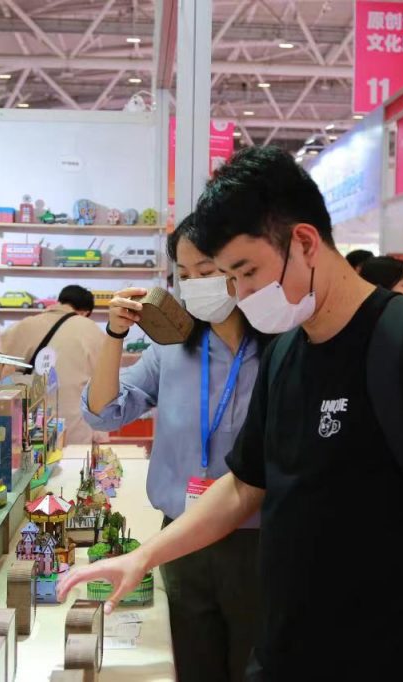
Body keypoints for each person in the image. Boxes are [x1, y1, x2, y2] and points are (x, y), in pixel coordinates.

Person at [61, 146, 403, 681]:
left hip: (384, 656)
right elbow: (243, 485)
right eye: (229, 278)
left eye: (248, 272)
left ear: (304, 242)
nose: (243, 294)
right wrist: (146, 555)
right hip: (282, 649)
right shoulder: (285, 354)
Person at [80, 216, 266, 682]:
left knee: (256, 665)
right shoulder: (172, 347)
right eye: (183, 274)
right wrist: (114, 335)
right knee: (191, 663)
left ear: (240, 268)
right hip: (181, 540)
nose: (194, 284)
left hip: (260, 542)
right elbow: (103, 413)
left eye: (206, 271)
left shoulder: (280, 348)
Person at [0, 285, 105, 446]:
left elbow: (1, 370)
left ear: (60, 301)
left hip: (28, 428)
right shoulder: (92, 330)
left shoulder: (25, 325)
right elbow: (103, 385)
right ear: (85, 312)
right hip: (74, 430)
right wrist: (100, 433)